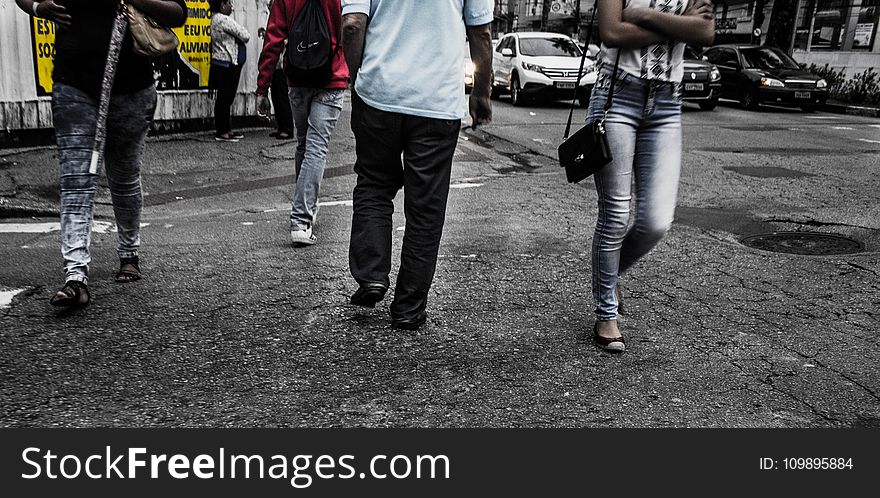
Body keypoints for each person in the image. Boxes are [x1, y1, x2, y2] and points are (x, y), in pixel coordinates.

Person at [13, 0, 188, 308]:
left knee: (123, 175)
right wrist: (39, 7)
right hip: (73, 83)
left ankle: (129, 254)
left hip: (133, 87)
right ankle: (76, 277)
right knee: (76, 178)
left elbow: (178, 12)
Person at [341, 0, 493, 330]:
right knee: (426, 208)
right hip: (437, 103)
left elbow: (352, 24)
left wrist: (359, 78)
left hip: (378, 95)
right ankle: (409, 308)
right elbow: (480, 33)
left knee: (373, 182)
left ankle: (371, 275)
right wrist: (481, 93)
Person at [586, 0, 714, 352]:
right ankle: (606, 313)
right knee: (615, 216)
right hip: (617, 96)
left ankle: (608, 276)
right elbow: (612, 33)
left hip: (667, 104)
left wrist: (642, 16)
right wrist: (678, 24)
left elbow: (704, 32)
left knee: (655, 222)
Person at [256, 0, 349, 246]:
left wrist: (262, 87)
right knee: (316, 147)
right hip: (331, 76)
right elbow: (352, 26)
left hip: (297, 77)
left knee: (304, 144)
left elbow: (273, 38)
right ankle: (301, 219)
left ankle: (307, 205)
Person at [209, 0, 250, 142]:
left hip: (219, 63)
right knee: (225, 98)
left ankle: (225, 129)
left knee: (223, 98)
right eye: (229, 3)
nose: (231, 6)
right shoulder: (223, 19)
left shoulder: (214, 19)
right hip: (227, 63)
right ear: (222, 5)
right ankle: (223, 132)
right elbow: (245, 35)